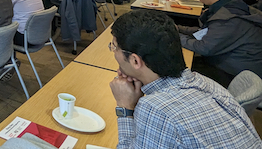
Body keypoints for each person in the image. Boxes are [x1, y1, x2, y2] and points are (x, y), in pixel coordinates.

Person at [109, 10, 262, 149]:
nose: (113, 52)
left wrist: (125, 107)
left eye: (114, 47)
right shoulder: (205, 83)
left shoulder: (155, 108)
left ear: (135, 61)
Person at [178, 0, 262, 87]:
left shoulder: (228, 18)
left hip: (236, 74)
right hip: (235, 63)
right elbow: (208, 32)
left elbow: (204, 48)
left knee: (177, 71)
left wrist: (175, 35)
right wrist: (179, 29)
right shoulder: (231, 3)